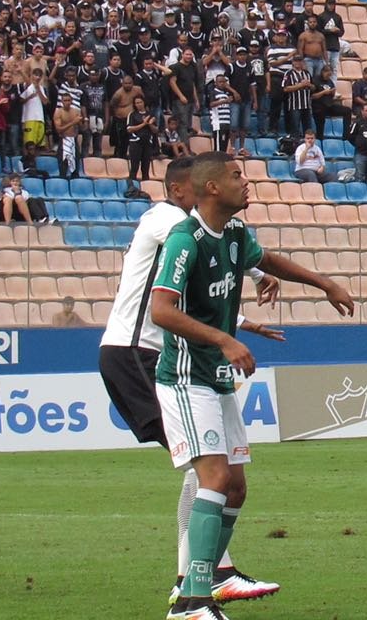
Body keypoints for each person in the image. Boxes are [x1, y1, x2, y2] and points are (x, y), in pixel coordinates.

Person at [150, 152, 353, 620]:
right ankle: (190, 603)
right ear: (212, 188)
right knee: (215, 479)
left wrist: (325, 284)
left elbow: (268, 261)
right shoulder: (185, 241)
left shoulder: (236, 234)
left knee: (235, 488)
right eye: (237, 175)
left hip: (215, 380)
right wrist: (224, 338)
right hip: (185, 377)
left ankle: (201, 589)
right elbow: (161, 311)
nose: (247, 182)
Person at [99, 157, 279, 608]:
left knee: (215, 473)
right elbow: (195, 253)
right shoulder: (168, 219)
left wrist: (242, 320)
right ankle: (196, 585)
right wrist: (255, 274)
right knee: (207, 469)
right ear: (185, 190)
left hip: (156, 351)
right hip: (134, 352)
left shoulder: (202, 231)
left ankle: (206, 575)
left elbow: (206, 280)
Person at [126, 94, 157, 185]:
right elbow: (129, 129)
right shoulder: (132, 115)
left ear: (144, 102)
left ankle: (146, 186)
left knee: (146, 167)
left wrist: (150, 124)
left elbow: (155, 130)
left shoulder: (150, 114)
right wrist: (144, 124)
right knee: (134, 166)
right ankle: (132, 187)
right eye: (136, 103)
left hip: (147, 142)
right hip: (135, 142)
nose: (138, 104)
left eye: (140, 102)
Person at [52, 89, 82, 178]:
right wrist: (73, 122)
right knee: (63, 167)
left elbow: (82, 127)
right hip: (64, 139)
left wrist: (82, 121)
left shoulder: (76, 111)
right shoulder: (58, 112)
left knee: (76, 164)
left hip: (73, 139)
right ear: (62, 101)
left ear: (71, 101)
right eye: (65, 100)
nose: (67, 102)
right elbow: (59, 130)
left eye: (69, 100)